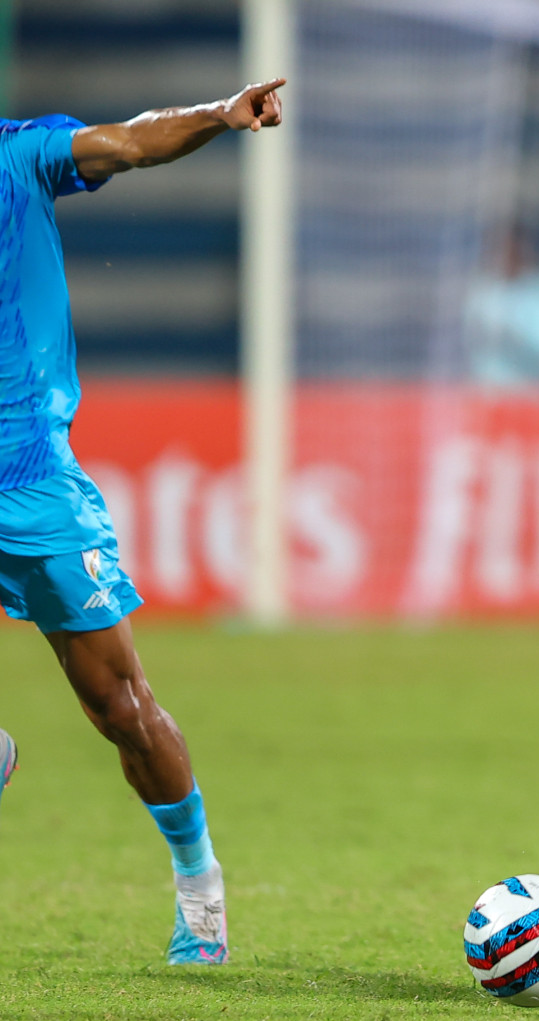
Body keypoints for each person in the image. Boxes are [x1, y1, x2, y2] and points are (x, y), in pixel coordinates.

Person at [0, 79, 286, 964]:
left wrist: (215, 115)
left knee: (120, 707)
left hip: (33, 486)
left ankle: (200, 888)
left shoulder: (19, 158)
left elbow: (127, 141)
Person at [463, 223, 539, 387]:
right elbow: (468, 349)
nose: (506, 256)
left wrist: (515, 341)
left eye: (512, 250)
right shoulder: (482, 291)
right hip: (486, 396)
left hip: (535, 396)